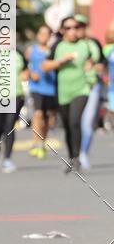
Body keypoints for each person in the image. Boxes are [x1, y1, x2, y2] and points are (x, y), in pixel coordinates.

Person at [42, 15, 98, 174]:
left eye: (75, 27)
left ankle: (78, 157)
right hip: (62, 92)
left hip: (81, 90)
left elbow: (95, 61)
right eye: (68, 28)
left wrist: (92, 68)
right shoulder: (57, 47)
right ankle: (72, 157)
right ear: (62, 30)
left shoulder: (85, 45)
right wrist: (60, 61)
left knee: (75, 121)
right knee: (67, 125)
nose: (72, 30)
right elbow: (45, 66)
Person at [0, 49, 28, 173]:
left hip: (15, 95)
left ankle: (7, 159)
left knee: (9, 127)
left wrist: (26, 75)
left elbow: (26, 71)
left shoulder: (19, 54)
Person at [75, 14, 105, 170]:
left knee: (87, 122)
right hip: (72, 88)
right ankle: (74, 153)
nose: (77, 30)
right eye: (74, 27)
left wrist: (97, 67)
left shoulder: (94, 43)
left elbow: (101, 63)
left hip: (91, 87)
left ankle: (83, 153)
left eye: (80, 26)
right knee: (73, 122)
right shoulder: (65, 45)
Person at [26, 24, 57, 159]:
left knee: (47, 117)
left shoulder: (52, 51)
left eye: (46, 34)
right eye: (41, 33)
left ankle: (42, 142)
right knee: (38, 114)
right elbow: (24, 66)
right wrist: (30, 73)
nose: (43, 36)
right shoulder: (30, 50)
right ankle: (34, 143)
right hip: (36, 86)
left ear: (50, 37)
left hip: (50, 87)